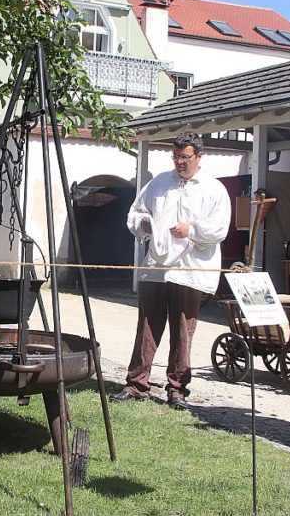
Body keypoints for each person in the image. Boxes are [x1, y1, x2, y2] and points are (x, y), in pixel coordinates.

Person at [112, 132, 231, 410]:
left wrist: (192, 230)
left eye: (185, 157)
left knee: (182, 330)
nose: (179, 162)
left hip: (190, 268)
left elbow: (220, 229)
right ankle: (136, 383)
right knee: (147, 326)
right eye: (176, 157)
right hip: (157, 266)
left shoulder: (213, 189)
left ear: (199, 156)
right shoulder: (159, 183)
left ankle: (177, 389)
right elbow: (136, 212)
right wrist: (143, 225)